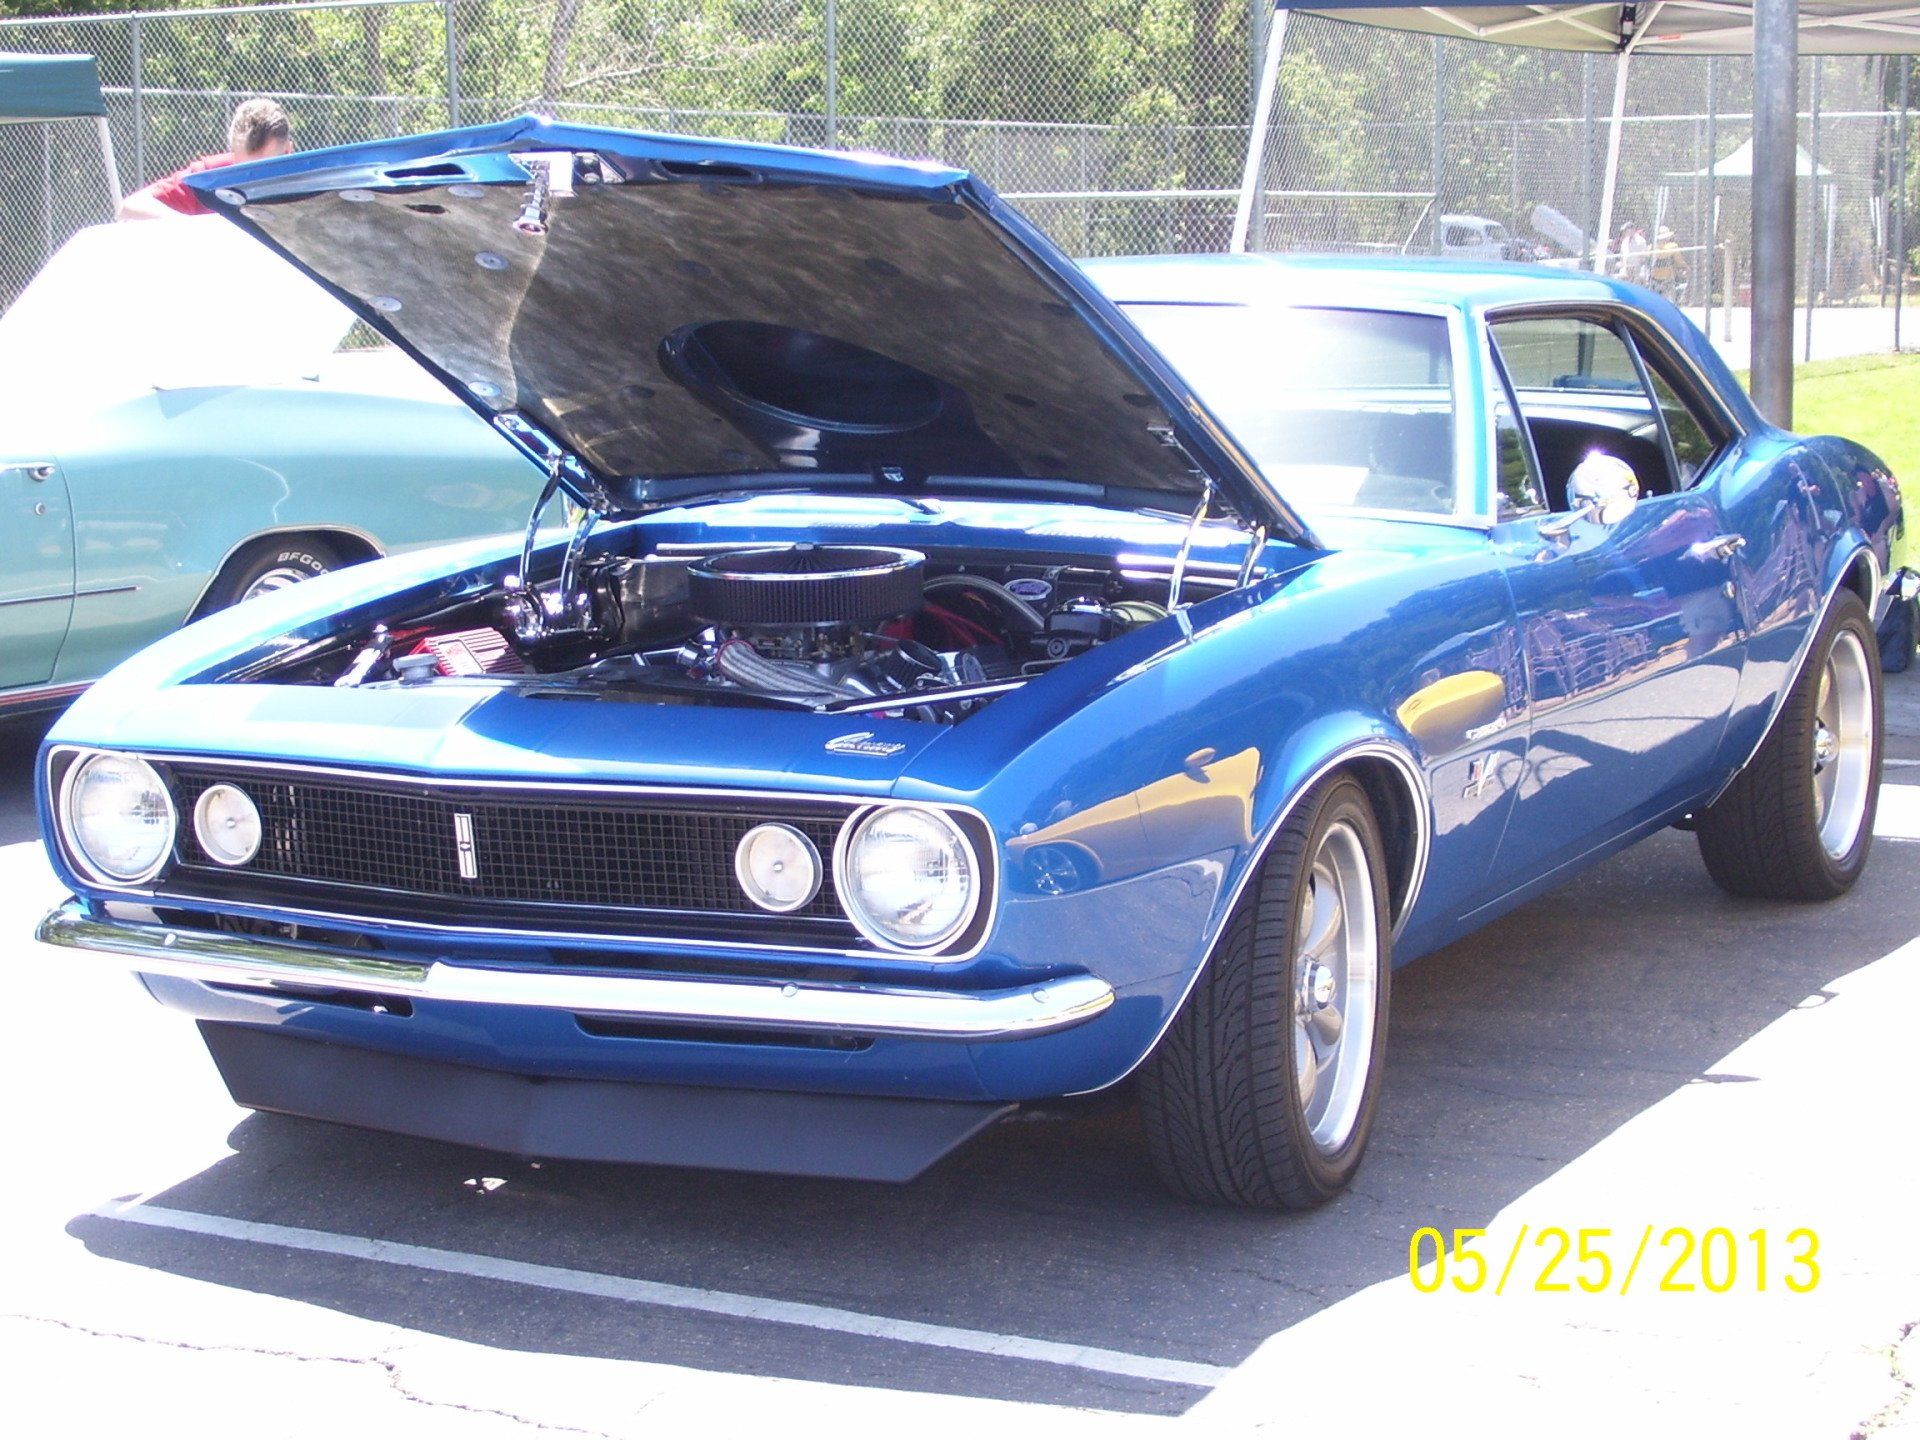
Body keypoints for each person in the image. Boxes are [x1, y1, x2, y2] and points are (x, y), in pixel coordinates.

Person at [117, 98, 292, 221]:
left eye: (264, 169)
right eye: (243, 170)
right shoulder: (212, 176)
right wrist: (196, 229)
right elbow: (130, 207)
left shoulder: (311, 184)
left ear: (287, 152)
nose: (253, 180)